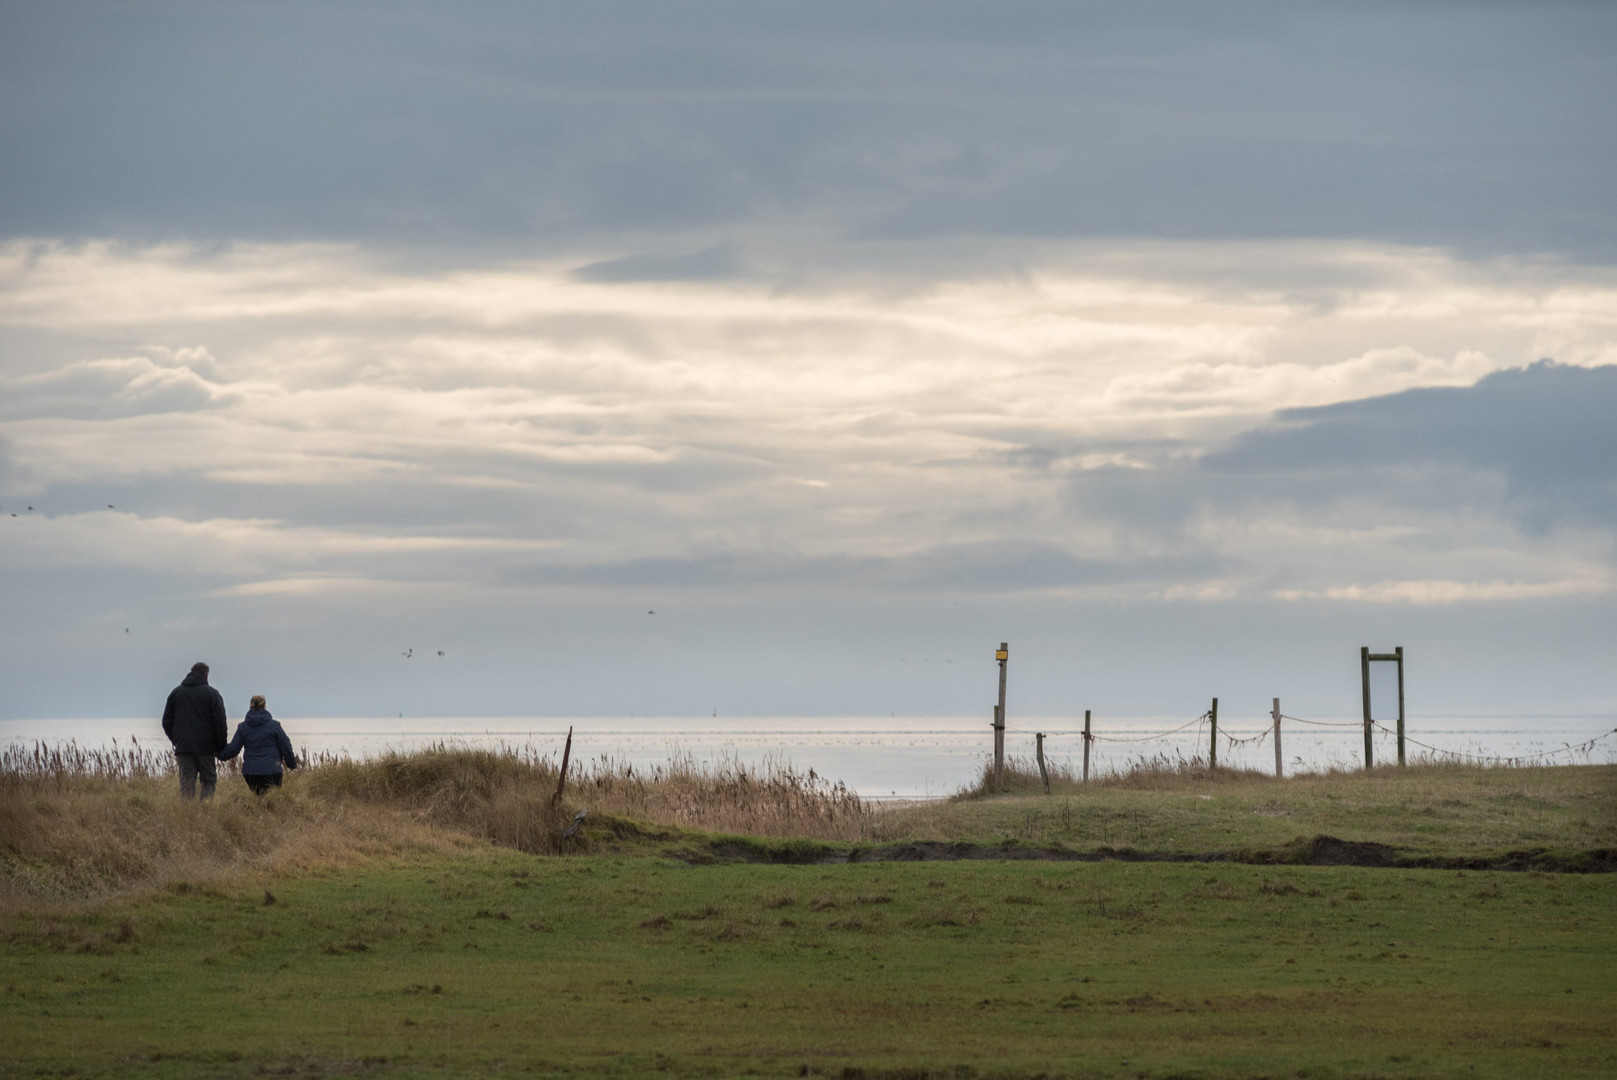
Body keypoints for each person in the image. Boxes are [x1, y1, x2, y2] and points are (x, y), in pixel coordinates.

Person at [161, 661, 228, 799]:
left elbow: (166, 721)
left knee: (186, 784)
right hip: (206, 748)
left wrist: (177, 740)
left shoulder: (176, 693)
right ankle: (205, 811)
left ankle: (187, 814)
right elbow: (220, 723)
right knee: (209, 781)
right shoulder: (212, 694)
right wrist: (220, 747)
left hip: (184, 748)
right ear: (206, 674)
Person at [218, 695, 299, 794]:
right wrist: (292, 764)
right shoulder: (274, 726)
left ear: (250, 706)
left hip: (251, 772)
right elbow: (286, 746)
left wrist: (219, 754)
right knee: (273, 798)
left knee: (258, 796)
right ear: (264, 706)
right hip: (272, 770)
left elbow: (233, 749)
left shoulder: (243, 727)